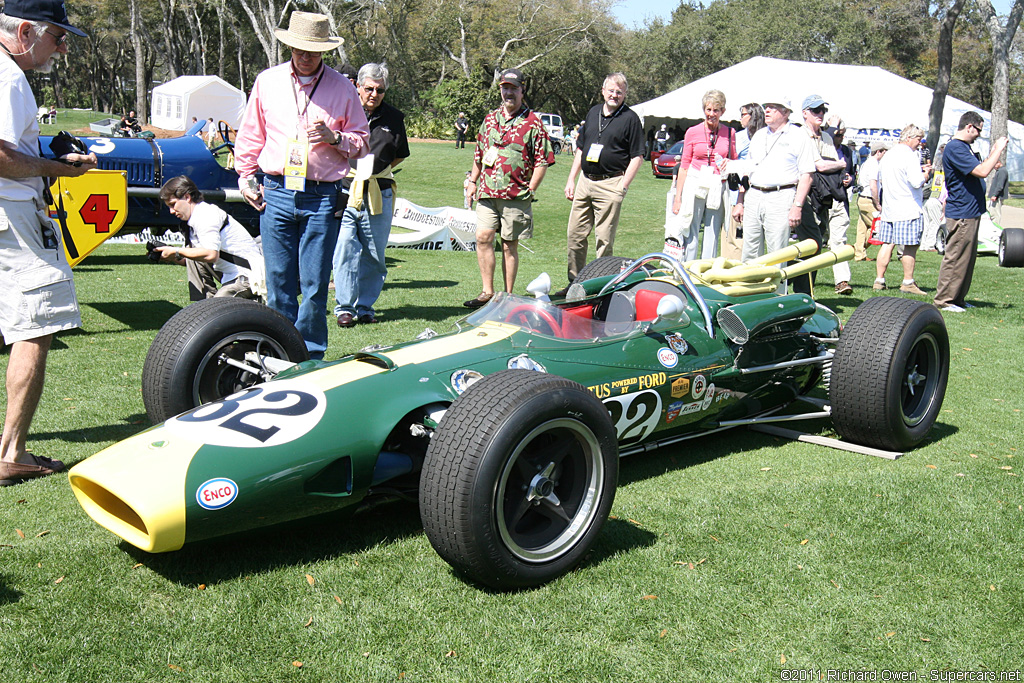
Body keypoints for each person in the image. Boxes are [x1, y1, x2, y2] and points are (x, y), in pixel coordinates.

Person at [0, 0, 98, 485]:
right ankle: (11, 452)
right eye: (56, 36)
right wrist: (64, 168)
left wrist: (45, 150)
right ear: (24, 31)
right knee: (34, 327)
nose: (61, 47)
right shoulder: (7, 77)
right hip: (11, 215)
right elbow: (1, 157)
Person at [234, 10, 368, 359]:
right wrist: (246, 178)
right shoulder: (267, 81)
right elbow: (251, 134)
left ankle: (310, 356)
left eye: (313, 50)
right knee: (278, 282)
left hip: (322, 197)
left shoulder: (342, 88)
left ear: (324, 50)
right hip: (275, 190)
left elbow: (363, 142)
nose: (305, 56)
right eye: (298, 49)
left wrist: (336, 137)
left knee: (313, 285)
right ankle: (277, 352)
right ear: (289, 46)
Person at [463, 68, 554, 308]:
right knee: (483, 238)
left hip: (515, 195)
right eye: (505, 87)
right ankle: (487, 293)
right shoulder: (490, 119)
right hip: (487, 191)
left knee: (508, 244)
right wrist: (472, 181)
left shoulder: (533, 122)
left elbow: (543, 160)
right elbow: (480, 153)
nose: (509, 92)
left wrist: (531, 189)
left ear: (523, 90)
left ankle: (508, 295)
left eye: (514, 88)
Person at [332, 63, 409, 327]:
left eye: (380, 90)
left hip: (379, 191)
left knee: (375, 254)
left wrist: (377, 172)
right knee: (344, 248)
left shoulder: (394, 118)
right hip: (345, 190)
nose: (374, 94)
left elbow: (399, 154)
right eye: (369, 89)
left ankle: (365, 307)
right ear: (358, 87)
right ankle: (344, 307)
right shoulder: (343, 111)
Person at [563, 72, 644, 284]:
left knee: (604, 241)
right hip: (585, 181)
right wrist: (571, 179)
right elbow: (581, 149)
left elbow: (638, 157)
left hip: (611, 184)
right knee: (575, 236)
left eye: (619, 92)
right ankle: (574, 283)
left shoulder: (631, 119)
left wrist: (622, 187)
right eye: (611, 90)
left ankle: (600, 287)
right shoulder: (593, 113)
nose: (614, 95)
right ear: (603, 91)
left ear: (625, 94)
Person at [734, 96, 814, 292]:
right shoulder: (759, 135)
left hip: (782, 195)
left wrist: (797, 206)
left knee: (777, 253)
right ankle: (749, 295)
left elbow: (807, 175)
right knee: (750, 251)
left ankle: (776, 299)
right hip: (754, 194)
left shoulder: (798, 135)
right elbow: (747, 170)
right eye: (766, 107)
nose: (767, 110)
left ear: (786, 113)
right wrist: (740, 201)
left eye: (773, 107)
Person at [935, 112, 1008, 312]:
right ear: (969, 126)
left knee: (967, 258)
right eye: (978, 130)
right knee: (956, 256)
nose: (978, 135)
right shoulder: (955, 147)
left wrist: (993, 153)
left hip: (971, 210)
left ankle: (957, 298)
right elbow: (982, 171)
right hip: (961, 212)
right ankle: (944, 300)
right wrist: (998, 149)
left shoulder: (965, 148)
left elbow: (980, 168)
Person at [156, 176, 264, 301]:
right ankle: (202, 304)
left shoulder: (205, 215)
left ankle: (208, 308)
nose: (171, 211)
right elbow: (193, 260)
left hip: (249, 277)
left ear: (187, 197)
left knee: (215, 310)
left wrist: (176, 251)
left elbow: (211, 255)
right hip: (232, 275)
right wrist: (170, 256)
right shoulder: (194, 218)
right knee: (191, 256)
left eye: (173, 204)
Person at [668, 89, 737, 261]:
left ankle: (707, 268)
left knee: (712, 229)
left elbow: (733, 161)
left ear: (723, 111)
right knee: (690, 225)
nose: (711, 114)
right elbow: (684, 166)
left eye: (716, 110)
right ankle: (689, 267)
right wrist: (678, 197)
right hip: (695, 181)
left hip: (717, 183)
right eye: (708, 109)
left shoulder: (730, 133)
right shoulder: (693, 131)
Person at [790, 95, 848, 296]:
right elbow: (819, 165)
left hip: (823, 199)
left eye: (823, 110)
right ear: (804, 113)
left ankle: (805, 291)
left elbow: (828, 165)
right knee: (811, 244)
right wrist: (840, 164)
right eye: (816, 110)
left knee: (815, 247)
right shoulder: (800, 135)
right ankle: (797, 287)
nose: (821, 114)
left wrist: (841, 173)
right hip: (804, 197)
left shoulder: (826, 137)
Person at [872, 125, 931, 295]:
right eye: (918, 139)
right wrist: (926, 175)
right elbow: (916, 182)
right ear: (909, 138)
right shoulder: (910, 156)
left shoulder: (888, 156)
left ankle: (879, 279)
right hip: (908, 208)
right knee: (910, 246)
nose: (919, 144)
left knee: (887, 244)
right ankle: (908, 281)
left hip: (890, 208)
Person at [720, 103, 765, 260]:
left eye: (743, 114)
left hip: (744, 194)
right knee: (741, 239)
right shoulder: (758, 136)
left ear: (752, 116)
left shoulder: (744, 138)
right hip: (743, 193)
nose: (740, 118)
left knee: (736, 239)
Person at [855, 143, 886, 261]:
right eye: (884, 152)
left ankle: (859, 254)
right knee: (878, 228)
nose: (885, 154)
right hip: (869, 200)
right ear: (879, 152)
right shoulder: (874, 164)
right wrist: (877, 203)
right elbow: (873, 186)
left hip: (861, 198)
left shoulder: (866, 163)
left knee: (862, 229)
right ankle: (884, 255)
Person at [988, 160, 1008, 225]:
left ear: (998, 163)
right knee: (992, 212)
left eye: (994, 165)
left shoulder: (1002, 171)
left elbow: (1000, 185)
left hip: (997, 197)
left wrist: (995, 195)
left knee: (995, 214)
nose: (994, 167)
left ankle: (995, 228)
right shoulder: (999, 171)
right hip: (995, 196)